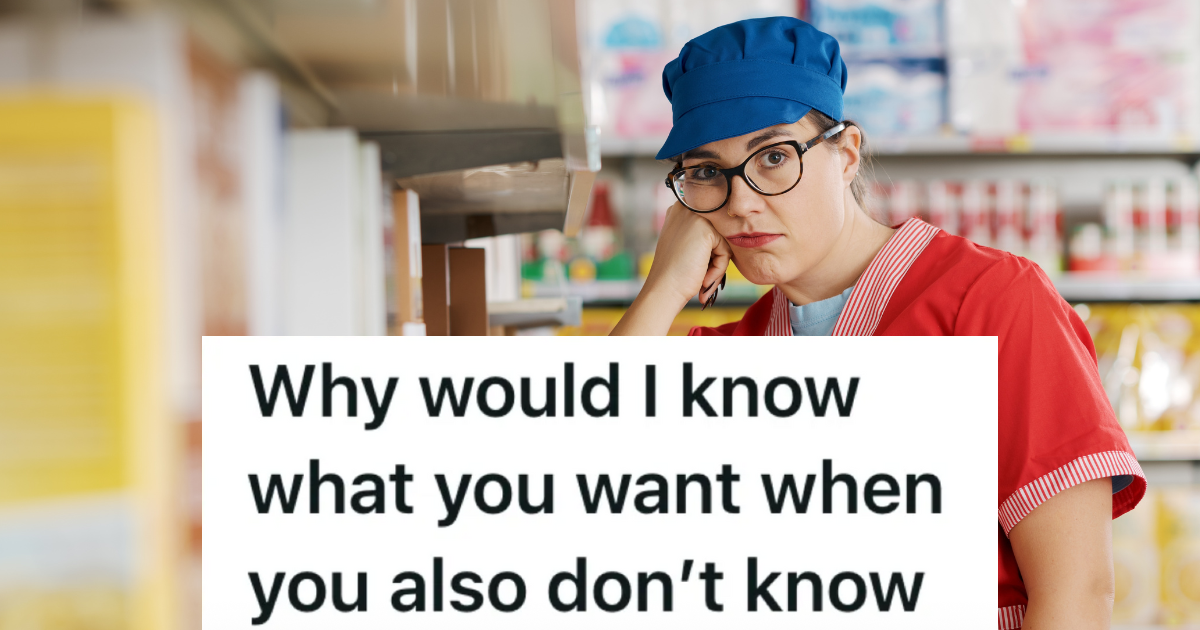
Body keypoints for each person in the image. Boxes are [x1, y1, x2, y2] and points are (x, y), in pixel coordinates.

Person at [611, 16, 1145, 629]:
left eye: (775, 156)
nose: (741, 202)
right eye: (707, 172)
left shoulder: (992, 302)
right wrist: (663, 288)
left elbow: (1078, 595)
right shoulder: (731, 354)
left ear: (846, 154)